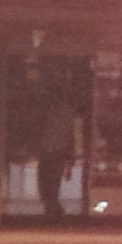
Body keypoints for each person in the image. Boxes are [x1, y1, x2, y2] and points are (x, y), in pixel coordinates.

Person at [37, 72, 80, 220]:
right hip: (58, 151)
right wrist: (70, 157)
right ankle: (53, 207)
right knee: (53, 181)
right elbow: (71, 135)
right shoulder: (67, 112)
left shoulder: (46, 112)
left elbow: (41, 131)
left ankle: (52, 207)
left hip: (49, 151)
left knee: (46, 181)